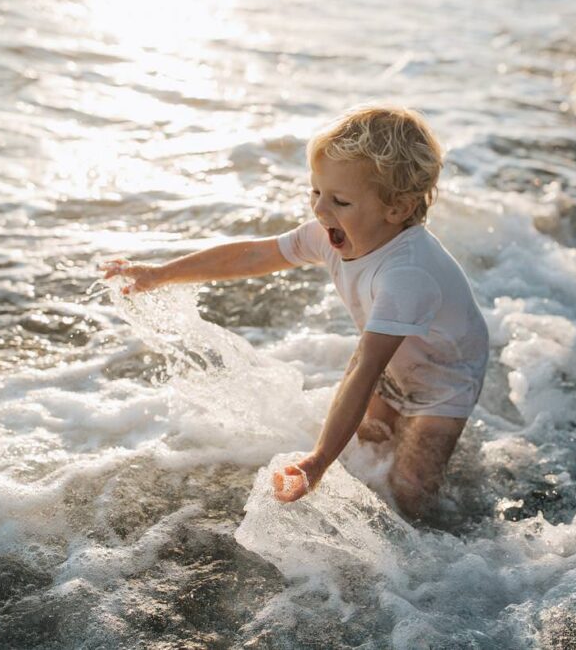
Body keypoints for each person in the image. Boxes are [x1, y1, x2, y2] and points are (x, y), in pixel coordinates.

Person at [101, 105, 489, 517]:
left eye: (339, 201)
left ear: (396, 209)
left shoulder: (406, 274)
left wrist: (318, 460)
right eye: (315, 192)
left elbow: (365, 368)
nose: (320, 211)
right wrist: (161, 274)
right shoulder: (329, 235)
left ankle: (446, 548)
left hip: (444, 382)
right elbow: (252, 255)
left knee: (411, 493)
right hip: (398, 363)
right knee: (371, 447)